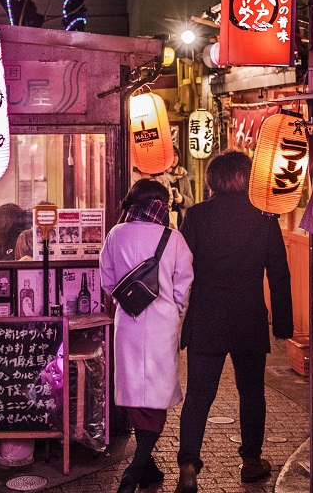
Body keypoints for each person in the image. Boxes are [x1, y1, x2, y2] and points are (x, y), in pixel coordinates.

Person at [174, 150, 293, 492]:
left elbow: (182, 269)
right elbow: (279, 273)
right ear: (248, 178)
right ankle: (251, 462)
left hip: (206, 318)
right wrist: (284, 325)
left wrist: (178, 313)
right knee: (251, 393)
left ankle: (188, 463)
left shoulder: (195, 217)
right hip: (248, 318)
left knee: (199, 395)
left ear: (213, 179)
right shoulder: (265, 219)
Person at [100, 179, 194, 493]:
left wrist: (125, 302)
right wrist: (172, 310)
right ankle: (136, 468)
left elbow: (108, 279)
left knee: (134, 394)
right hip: (162, 326)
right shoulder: (174, 238)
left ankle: (145, 469)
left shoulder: (116, 234)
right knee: (154, 398)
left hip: (127, 322)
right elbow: (183, 286)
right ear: (162, 205)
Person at [132, 146, 194, 228]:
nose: (173, 158)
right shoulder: (159, 174)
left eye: (175, 155)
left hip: (179, 219)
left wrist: (181, 198)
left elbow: (191, 201)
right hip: (159, 217)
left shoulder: (183, 176)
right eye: (170, 156)